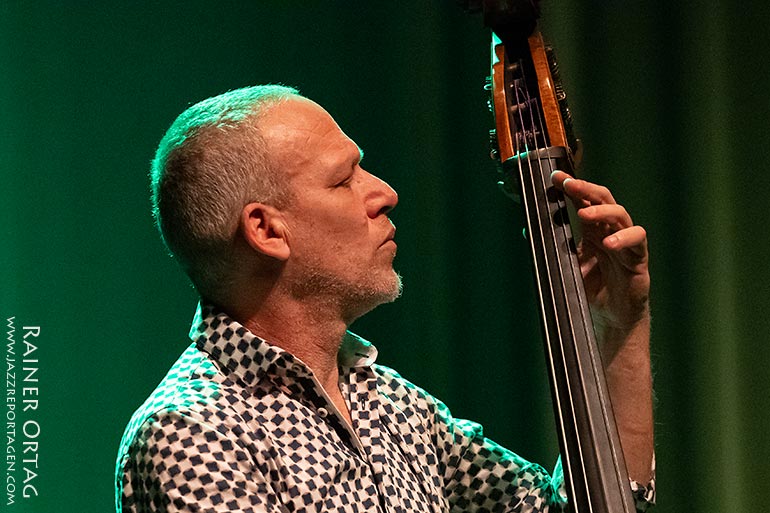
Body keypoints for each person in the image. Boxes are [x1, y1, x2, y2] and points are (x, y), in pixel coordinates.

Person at [115, 85, 654, 512]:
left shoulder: (392, 403)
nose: (384, 193)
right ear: (266, 230)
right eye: (343, 180)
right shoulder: (191, 434)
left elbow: (575, 508)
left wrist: (618, 331)